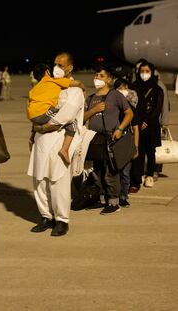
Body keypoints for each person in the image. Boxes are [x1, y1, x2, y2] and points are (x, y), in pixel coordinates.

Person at [27, 52, 85, 236]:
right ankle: (46, 216)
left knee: (58, 181)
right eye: (55, 64)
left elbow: (66, 115)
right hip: (41, 140)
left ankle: (61, 219)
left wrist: (43, 127)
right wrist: (34, 131)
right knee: (39, 179)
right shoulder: (50, 86)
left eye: (61, 65)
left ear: (70, 68)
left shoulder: (75, 91)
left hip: (59, 139)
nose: (56, 68)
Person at [84, 66, 133, 214]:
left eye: (102, 76)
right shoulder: (91, 98)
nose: (97, 77)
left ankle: (113, 202)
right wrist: (94, 110)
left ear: (109, 80)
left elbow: (129, 113)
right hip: (94, 138)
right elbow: (82, 118)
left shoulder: (116, 95)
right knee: (96, 170)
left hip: (110, 138)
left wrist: (119, 129)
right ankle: (100, 199)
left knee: (110, 171)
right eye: (96, 74)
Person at [27, 63, 84, 165]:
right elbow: (77, 83)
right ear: (47, 72)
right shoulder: (53, 80)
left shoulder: (34, 89)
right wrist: (83, 90)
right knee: (71, 122)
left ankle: (39, 128)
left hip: (32, 116)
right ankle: (64, 149)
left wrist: (32, 135)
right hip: (43, 114)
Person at [129, 60, 163, 191]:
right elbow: (132, 105)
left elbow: (157, 109)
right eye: (142, 71)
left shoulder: (157, 89)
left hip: (151, 125)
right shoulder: (134, 86)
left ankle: (150, 174)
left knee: (151, 151)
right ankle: (139, 175)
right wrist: (138, 121)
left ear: (152, 72)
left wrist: (146, 121)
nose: (144, 74)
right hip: (137, 124)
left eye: (147, 71)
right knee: (140, 151)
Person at [114, 78, 140, 207]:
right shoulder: (112, 107)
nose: (122, 90)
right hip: (113, 142)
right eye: (119, 87)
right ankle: (113, 195)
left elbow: (136, 129)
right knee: (114, 172)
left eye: (124, 87)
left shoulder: (131, 108)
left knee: (125, 172)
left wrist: (135, 146)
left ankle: (123, 196)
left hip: (126, 142)